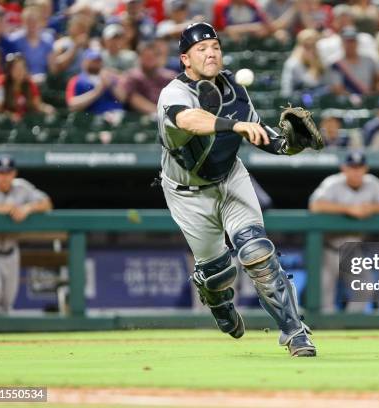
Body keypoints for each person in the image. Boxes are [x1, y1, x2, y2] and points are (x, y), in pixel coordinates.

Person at [156, 22, 321, 356]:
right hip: (187, 192)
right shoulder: (174, 92)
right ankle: (214, 294)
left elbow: (261, 134)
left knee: (256, 251)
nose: (211, 52)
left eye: (215, 46)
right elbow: (189, 121)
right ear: (185, 59)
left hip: (231, 178)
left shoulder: (234, 88)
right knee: (218, 274)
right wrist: (235, 125)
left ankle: (294, 331)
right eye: (201, 49)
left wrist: (291, 145)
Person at [309, 151, 379, 313]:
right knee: (324, 297)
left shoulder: (372, 183)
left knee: (365, 287)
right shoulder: (333, 183)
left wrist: (373, 208)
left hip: (352, 248)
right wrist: (349, 209)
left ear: (365, 169)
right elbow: (316, 205)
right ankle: (325, 331)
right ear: (344, 168)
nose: (356, 171)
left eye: (359, 167)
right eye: (352, 167)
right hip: (329, 247)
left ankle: (349, 326)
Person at [0, 154, 53, 315]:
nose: (4, 177)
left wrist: (28, 208)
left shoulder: (22, 187)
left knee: (7, 303)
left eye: (8, 172)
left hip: (11, 251)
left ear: (14, 173)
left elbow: (47, 203)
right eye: (1, 172)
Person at [326, 26, 379, 96]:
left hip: (368, 100)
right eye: (347, 41)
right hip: (344, 103)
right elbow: (337, 88)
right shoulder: (335, 63)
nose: (350, 44)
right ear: (342, 42)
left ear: (357, 42)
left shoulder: (369, 59)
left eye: (353, 41)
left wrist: (377, 90)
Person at [65, 49, 125, 118]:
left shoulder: (110, 77)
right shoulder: (76, 80)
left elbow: (123, 98)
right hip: (90, 119)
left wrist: (110, 84)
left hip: (117, 117)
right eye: (93, 61)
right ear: (85, 62)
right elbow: (72, 105)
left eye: (98, 61)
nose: (96, 64)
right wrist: (98, 91)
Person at [123, 41, 176, 116]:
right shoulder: (132, 76)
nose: (149, 60)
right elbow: (133, 99)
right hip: (139, 117)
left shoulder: (169, 77)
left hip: (166, 115)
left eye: (152, 57)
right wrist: (157, 112)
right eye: (146, 56)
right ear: (140, 57)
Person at [0, 53, 54, 122]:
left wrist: (46, 108)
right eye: (16, 68)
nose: (20, 71)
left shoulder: (29, 84)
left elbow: (38, 104)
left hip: (26, 123)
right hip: (5, 124)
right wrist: (9, 115)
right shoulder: (1, 83)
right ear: (9, 70)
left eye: (22, 68)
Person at [280, 28, 326, 98]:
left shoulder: (321, 61)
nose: (311, 49)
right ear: (300, 45)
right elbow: (286, 92)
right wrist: (313, 67)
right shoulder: (293, 64)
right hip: (297, 103)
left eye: (314, 45)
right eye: (307, 46)